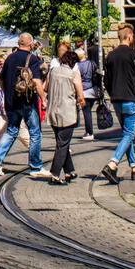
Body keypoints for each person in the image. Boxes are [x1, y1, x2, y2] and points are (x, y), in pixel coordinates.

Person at [0, 33, 49, 179]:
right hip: (27, 102)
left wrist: (9, 93)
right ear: (30, 44)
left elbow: (1, 80)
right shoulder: (32, 59)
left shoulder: (9, 58)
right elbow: (36, 81)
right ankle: (36, 167)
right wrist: (43, 98)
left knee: (11, 131)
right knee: (35, 133)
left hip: (11, 102)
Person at [100, 24, 135, 184]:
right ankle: (112, 164)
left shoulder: (110, 56)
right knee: (129, 134)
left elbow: (106, 80)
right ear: (129, 36)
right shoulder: (134, 55)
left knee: (126, 134)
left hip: (116, 100)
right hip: (130, 99)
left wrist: (112, 93)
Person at [46, 42, 84, 184]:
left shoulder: (53, 71)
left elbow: (45, 87)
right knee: (62, 144)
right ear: (73, 63)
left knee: (62, 141)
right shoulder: (73, 74)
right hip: (67, 113)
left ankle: (69, 171)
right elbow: (80, 96)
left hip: (53, 111)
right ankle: (55, 174)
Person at [76, 46, 101, 140]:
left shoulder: (77, 66)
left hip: (84, 92)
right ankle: (88, 131)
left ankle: (89, 132)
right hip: (93, 91)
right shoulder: (92, 63)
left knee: (87, 113)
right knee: (88, 111)